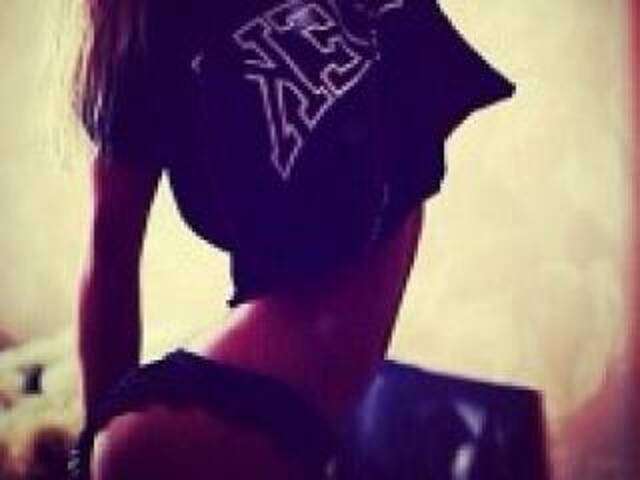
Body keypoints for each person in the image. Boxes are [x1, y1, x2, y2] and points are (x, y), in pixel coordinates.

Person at [69, 0, 514, 478]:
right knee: (124, 455)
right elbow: (110, 250)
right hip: (236, 406)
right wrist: (94, 441)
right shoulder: (147, 29)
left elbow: (408, 135)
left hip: (310, 399)